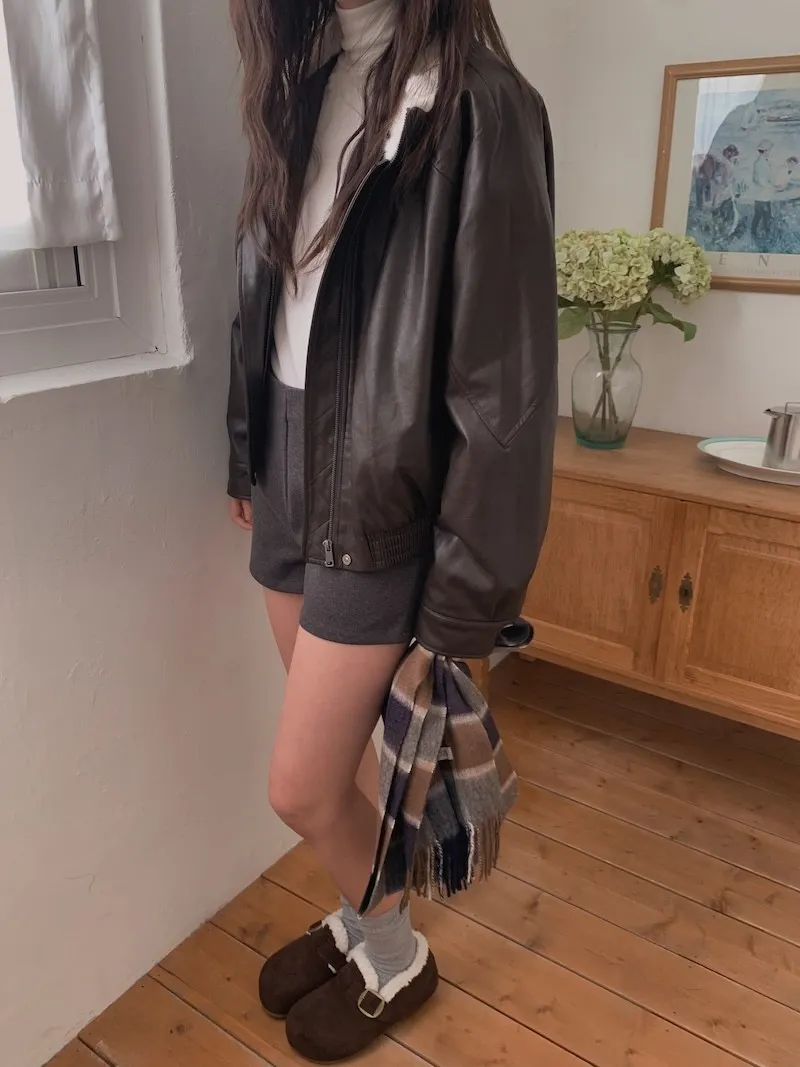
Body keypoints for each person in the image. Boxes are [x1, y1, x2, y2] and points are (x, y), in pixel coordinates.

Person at [225, 0, 558, 1061]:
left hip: (381, 483)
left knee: (300, 785)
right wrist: (245, 447)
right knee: (347, 768)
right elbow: (268, 288)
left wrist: (464, 608)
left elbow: (503, 389)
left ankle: (394, 952)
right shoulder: (305, 85)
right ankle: (361, 915)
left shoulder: (481, 107)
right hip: (287, 465)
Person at [711, 144, 739, 241]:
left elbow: (717, 177)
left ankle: (719, 234)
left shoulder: (724, 164)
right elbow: (726, 181)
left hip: (721, 192)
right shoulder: (727, 165)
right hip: (725, 194)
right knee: (726, 215)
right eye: (734, 155)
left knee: (719, 214)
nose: (735, 157)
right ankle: (723, 235)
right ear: (731, 154)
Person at [752, 139, 775, 242]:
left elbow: (755, 179)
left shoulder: (760, 162)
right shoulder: (761, 163)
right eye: (769, 150)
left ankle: (755, 236)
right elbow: (761, 181)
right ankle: (766, 239)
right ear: (765, 151)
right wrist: (772, 187)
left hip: (760, 196)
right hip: (763, 196)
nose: (770, 152)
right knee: (766, 218)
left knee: (758, 217)